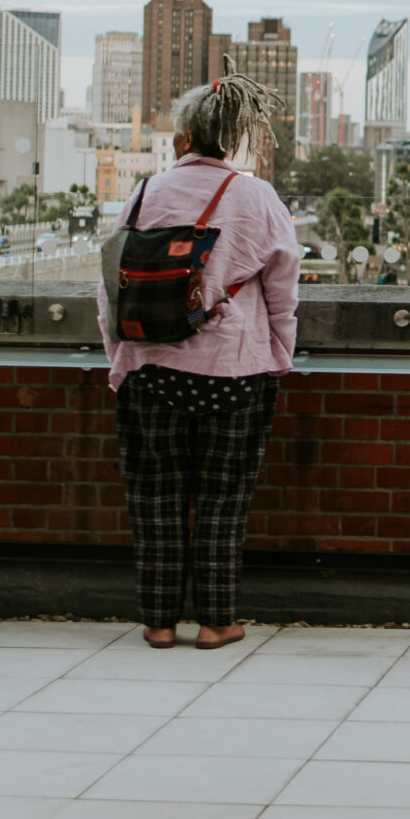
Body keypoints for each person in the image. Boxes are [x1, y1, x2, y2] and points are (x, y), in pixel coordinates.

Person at [97, 73, 299, 648]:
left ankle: (159, 623)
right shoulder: (257, 196)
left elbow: (110, 285)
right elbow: (283, 289)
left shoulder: (144, 193)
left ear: (183, 139)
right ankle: (217, 622)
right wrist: (278, 350)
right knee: (222, 501)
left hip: (149, 370)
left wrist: (122, 358)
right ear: (233, 137)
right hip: (235, 371)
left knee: (154, 499)